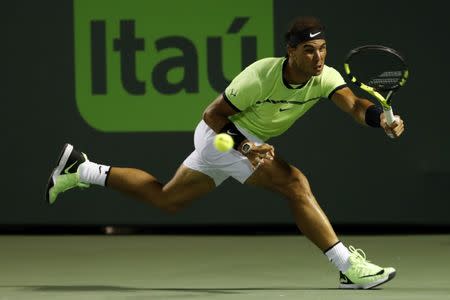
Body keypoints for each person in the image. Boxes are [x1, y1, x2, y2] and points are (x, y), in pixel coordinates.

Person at [46, 16, 404, 289]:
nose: (318, 57)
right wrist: (246, 147)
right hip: (221, 137)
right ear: (291, 51)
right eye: (309, 50)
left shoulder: (325, 76)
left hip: (234, 142)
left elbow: (355, 105)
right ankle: (347, 268)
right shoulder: (260, 77)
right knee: (295, 184)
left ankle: (82, 169)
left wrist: (381, 121)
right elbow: (212, 115)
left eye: (323, 48)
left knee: (166, 199)